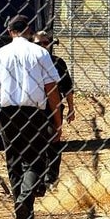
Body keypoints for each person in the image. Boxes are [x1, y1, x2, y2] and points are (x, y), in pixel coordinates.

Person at [0, 15, 62, 219]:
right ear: (29, 31)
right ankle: (24, 200)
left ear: (9, 32)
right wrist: (57, 120)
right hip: (35, 113)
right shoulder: (40, 53)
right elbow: (52, 88)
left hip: (7, 115)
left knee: (14, 164)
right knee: (35, 161)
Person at [33, 31, 75, 191]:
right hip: (33, 108)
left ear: (50, 44)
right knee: (35, 144)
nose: (42, 46)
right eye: (38, 44)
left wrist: (71, 108)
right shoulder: (30, 62)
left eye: (45, 43)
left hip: (53, 109)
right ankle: (37, 179)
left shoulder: (57, 62)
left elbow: (68, 88)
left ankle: (51, 178)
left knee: (53, 141)